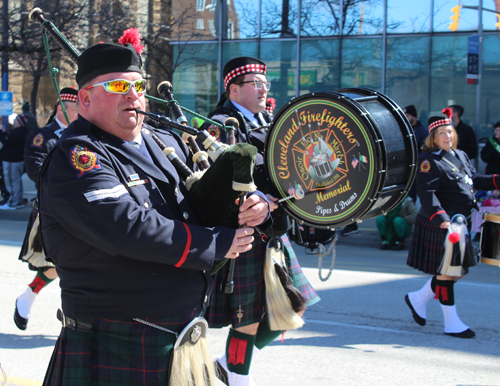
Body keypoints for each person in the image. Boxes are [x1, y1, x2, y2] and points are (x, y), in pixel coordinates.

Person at [39, 40, 271, 385]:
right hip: (114, 343)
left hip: (180, 335)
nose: (133, 95)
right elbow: (126, 225)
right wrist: (214, 243)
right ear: (85, 99)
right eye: (118, 87)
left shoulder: (160, 141)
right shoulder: (78, 157)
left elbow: (198, 204)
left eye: (138, 86)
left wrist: (252, 205)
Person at [202, 56, 320, 386]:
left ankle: (225, 366)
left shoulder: (271, 121)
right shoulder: (221, 124)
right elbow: (215, 179)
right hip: (245, 232)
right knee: (248, 321)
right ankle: (239, 379)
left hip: (273, 232)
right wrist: (256, 198)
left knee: (293, 308)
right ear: (234, 89)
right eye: (256, 83)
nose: (263, 89)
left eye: (265, 84)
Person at [405, 108, 500, 339]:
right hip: (444, 224)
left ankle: (419, 297)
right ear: (433, 138)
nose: (447, 136)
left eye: (450, 132)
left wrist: (497, 180)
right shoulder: (429, 161)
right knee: (449, 273)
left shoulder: (461, 155)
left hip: (461, 222)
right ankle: (451, 322)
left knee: (459, 271)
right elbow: (427, 193)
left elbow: (474, 179)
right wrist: (442, 220)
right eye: (442, 134)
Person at [13, 87, 79, 331]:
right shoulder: (43, 137)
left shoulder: (84, 134)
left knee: (74, 262)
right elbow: (36, 171)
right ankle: (30, 298)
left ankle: (72, 311)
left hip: (83, 211)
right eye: (76, 108)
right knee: (58, 265)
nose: (81, 113)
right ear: (63, 107)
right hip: (54, 211)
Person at [0, 114, 28, 210]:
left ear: (20, 123)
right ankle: (18, 201)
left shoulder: (19, 133)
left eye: (16, 121)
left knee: (12, 181)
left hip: (13, 160)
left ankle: (13, 203)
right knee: (16, 181)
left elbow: (6, 141)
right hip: (14, 160)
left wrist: (1, 132)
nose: (14, 122)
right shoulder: (19, 132)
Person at [404, 104, 428, 202]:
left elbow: (424, 152)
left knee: (411, 194)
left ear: (414, 117)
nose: (405, 118)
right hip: (404, 168)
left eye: (408, 116)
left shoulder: (422, 132)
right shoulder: (404, 129)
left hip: (415, 168)